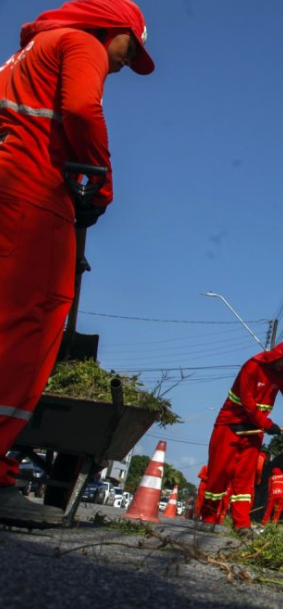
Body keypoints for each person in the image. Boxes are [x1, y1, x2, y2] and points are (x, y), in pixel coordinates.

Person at [0, 0, 154, 528]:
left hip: (9, 180)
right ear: (114, 31)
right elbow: (84, 111)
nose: (123, 64)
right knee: (31, 317)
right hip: (31, 192)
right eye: (129, 50)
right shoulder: (80, 43)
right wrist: (99, 184)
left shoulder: (29, 51)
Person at [199, 341, 283, 538]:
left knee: (245, 480)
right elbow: (246, 400)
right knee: (220, 473)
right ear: (277, 356)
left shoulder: (282, 375)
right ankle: (208, 518)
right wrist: (266, 423)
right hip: (230, 426)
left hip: (254, 430)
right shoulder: (252, 366)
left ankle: (242, 524)